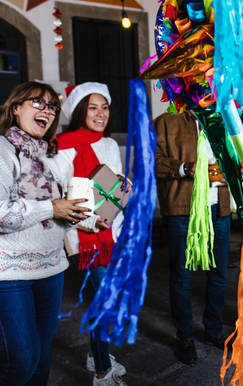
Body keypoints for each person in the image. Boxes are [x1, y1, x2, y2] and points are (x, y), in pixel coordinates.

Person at [0, 82, 90, 386]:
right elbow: (2, 214)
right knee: (22, 361)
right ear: (16, 108)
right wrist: (54, 207)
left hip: (52, 268)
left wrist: (78, 216)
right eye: (38, 103)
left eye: (52, 107)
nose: (47, 111)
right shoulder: (2, 149)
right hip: (10, 274)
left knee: (41, 355)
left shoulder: (49, 158)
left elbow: (57, 217)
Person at [52, 82, 127, 386]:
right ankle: (101, 373)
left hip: (110, 234)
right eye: (93, 107)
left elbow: (115, 184)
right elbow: (59, 197)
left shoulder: (108, 144)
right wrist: (91, 221)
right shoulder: (60, 147)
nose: (100, 114)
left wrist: (125, 185)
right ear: (81, 110)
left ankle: (96, 355)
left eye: (105, 107)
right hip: (84, 237)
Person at [155, 111, 232, 364]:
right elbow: (151, 161)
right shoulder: (165, 122)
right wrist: (182, 167)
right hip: (181, 209)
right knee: (180, 276)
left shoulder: (223, 119)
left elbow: (235, 159)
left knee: (219, 275)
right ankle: (185, 336)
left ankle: (213, 331)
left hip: (217, 208)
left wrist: (230, 173)